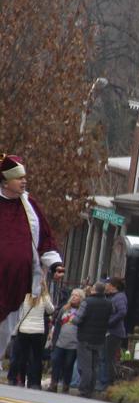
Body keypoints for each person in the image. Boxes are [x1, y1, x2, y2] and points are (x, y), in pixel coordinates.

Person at [0, 153, 63, 360]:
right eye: (19, 178)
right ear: (5, 181)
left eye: (24, 177)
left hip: (16, 285)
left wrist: (54, 264)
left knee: (3, 334)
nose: (24, 181)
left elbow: (45, 239)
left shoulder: (30, 207)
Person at [10, 283, 55, 389]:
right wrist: (45, 296)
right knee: (36, 357)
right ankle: (34, 382)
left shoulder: (25, 296)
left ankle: (21, 380)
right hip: (37, 330)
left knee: (23, 356)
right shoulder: (44, 298)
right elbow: (51, 310)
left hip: (24, 329)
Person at [73, 282, 113, 398]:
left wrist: (74, 320)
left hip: (85, 337)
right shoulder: (109, 304)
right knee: (94, 365)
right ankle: (91, 388)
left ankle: (84, 389)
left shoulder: (87, 302)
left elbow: (78, 319)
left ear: (94, 290)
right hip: (99, 338)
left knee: (85, 365)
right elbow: (113, 313)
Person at [48, 288, 84, 393]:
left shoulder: (82, 311)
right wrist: (54, 340)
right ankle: (53, 384)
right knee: (55, 362)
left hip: (73, 343)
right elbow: (58, 324)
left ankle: (66, 385)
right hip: (60, 342)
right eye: (72, 294)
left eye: (76, 295)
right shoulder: (64, 309)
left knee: (68, 365)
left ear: (81, 298)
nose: (73, 297)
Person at [102, 276, 128, 391]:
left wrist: (109, 322)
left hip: (114, 332)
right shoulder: (113, 297)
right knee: (106, 357)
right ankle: (105, 381)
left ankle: (109, 382)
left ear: (113, 286)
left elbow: (122, 312)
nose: (105, 286)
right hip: (110, 332)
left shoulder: (119, 297)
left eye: (107, 284)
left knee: (109, 358)